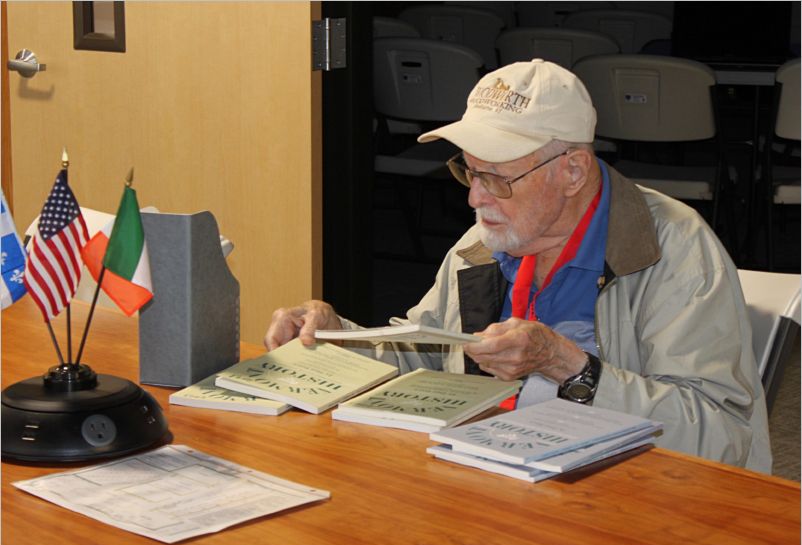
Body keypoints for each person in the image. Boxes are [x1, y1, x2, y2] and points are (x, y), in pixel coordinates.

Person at [265, 59, 770, 473]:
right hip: (494, 473)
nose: (476, 197)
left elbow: (721, 437)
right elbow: (424, 355)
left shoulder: (673, 250)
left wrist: (570, 368)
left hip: (628, 493)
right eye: (468, 171)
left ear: (572, 170)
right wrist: (335, 337)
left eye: (497, 178)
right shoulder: (483, 243)